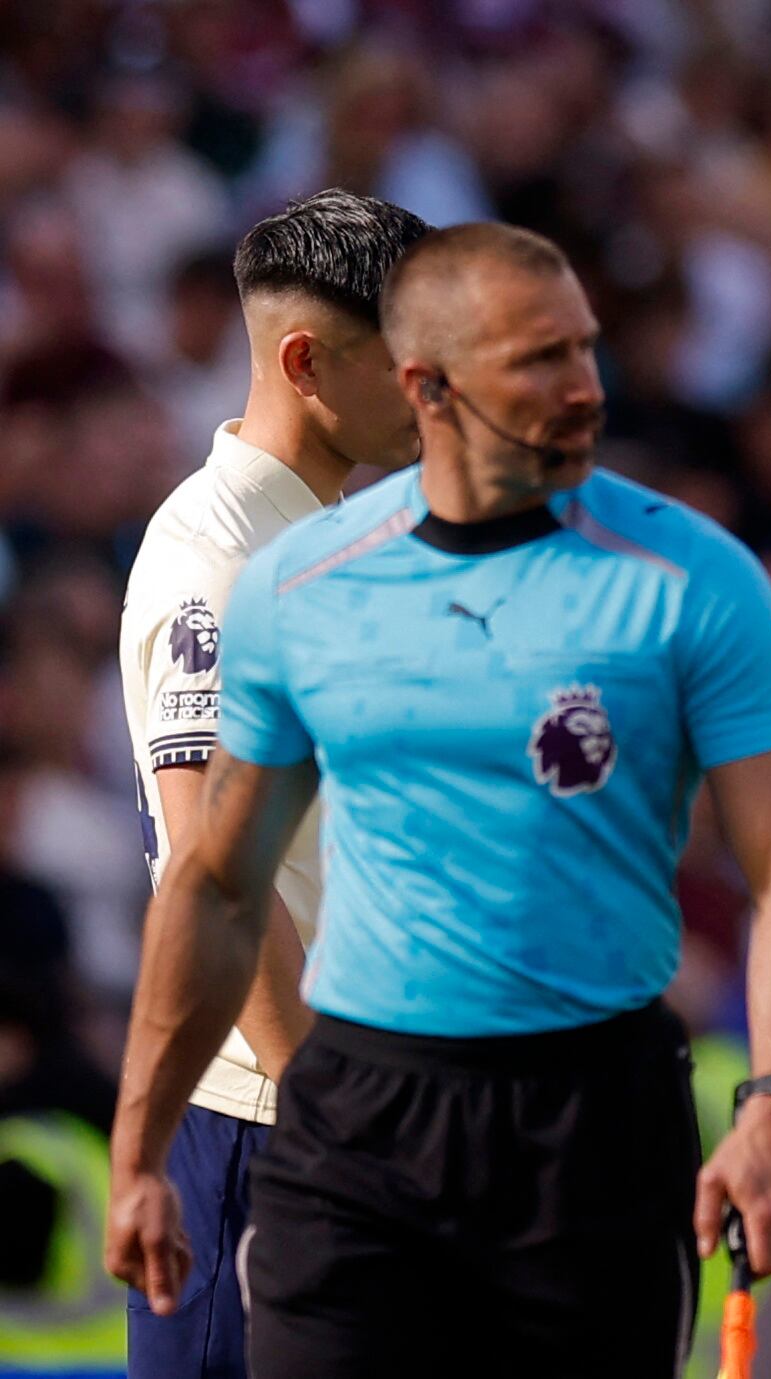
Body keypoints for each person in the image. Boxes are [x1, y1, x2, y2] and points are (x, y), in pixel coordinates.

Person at [103, 222, 771, 1377]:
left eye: (585, 349)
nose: (581, 386)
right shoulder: (274, 578)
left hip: (589, 1122)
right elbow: (214, 876)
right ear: (427, 376)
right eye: (536, 357)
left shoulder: (689, 577)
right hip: (322, 1113)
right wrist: (149, 1143)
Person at [115, 186, 429, 1379]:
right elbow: (218, 879)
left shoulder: (340, 540)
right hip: (261, 1128)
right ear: (306, 360)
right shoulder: (214, 567)